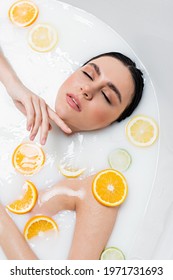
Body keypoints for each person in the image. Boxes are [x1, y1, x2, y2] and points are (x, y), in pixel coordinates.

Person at [0, 49, 144, 259]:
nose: (87, 89)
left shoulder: (99, 188)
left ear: (113, 123)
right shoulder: (20, 91)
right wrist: (12, 84)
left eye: (106, 95)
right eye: (88, 74)